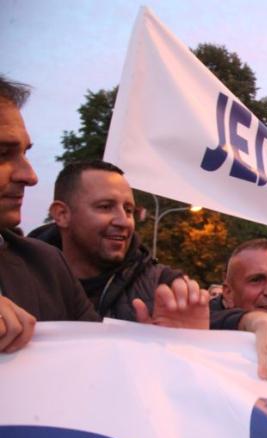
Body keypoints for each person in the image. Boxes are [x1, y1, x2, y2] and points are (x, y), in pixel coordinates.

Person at [0, 76, 207, 353]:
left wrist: (173, 351)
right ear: (61, 215)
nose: (30, 175)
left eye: (129, 209)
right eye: (2, 153)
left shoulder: (46, 265)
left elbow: (96, 365)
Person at [31, 160, 184, 321]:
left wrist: (188, 339)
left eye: (129, 210)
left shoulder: (165, 286)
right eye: (105, 207)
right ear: (62, 214)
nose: (124, 221)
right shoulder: (14, 278)